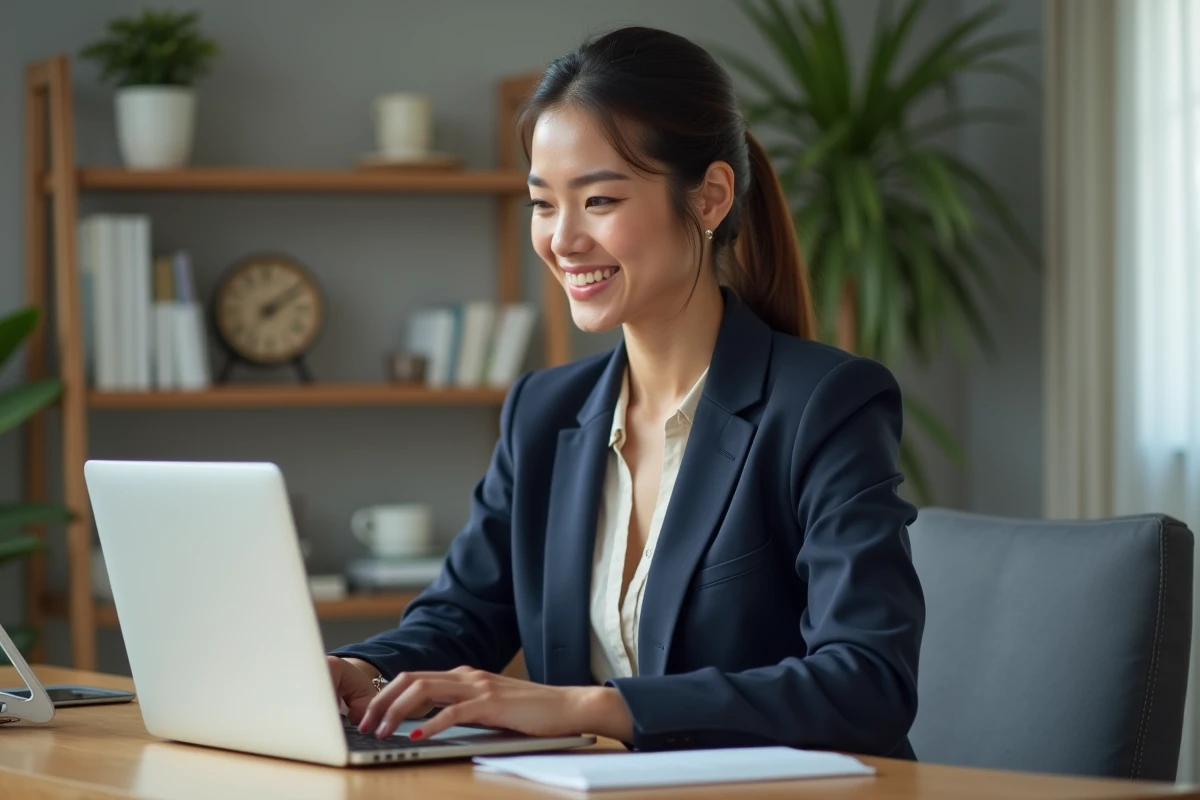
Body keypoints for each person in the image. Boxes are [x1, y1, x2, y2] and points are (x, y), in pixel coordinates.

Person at [326, 25, 925, 759]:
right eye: (543, 204)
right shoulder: (543, 413)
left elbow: (865, 683)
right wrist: (362, 669)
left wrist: (583, 708)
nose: (563, 239)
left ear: (708, 198)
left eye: (599, 200)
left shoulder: (826, 405)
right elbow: (463, 614)